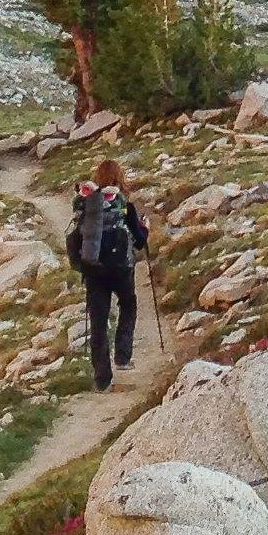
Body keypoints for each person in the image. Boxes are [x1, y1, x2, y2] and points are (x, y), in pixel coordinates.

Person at [67, 158, 150, 390]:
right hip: (121, 270)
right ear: (119, 178)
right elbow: (140, 242)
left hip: (93, 270)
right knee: (128, 304)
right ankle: (123, 356)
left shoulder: (87, 207)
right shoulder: (125, 205)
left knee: (99, 321)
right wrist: (145, 228)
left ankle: (102, 378)